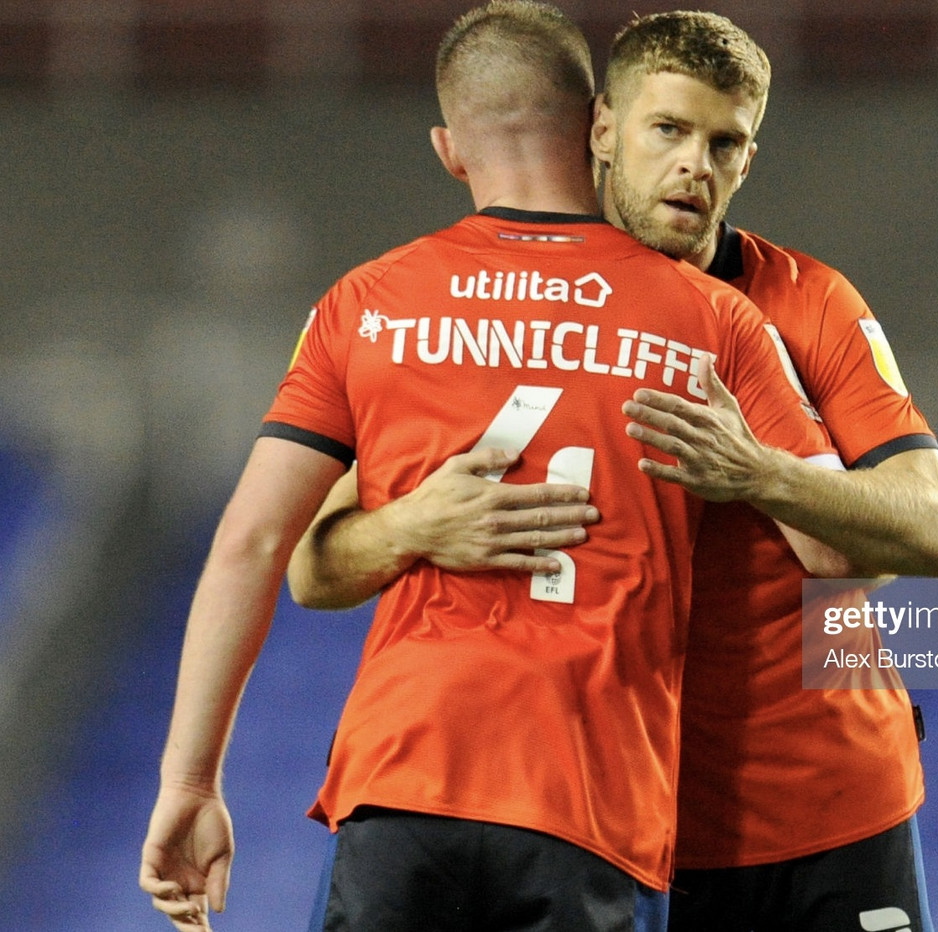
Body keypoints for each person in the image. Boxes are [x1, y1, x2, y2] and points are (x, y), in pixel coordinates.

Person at [137, 4, 842, 931]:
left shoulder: (368, 303)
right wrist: (750, 468)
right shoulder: (710, 318)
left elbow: (254, 545)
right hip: (593, 802)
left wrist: (191, 781)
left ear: (448, 147)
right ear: (596, 124)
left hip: (405, 782)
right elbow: (833, 552)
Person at [290, 9, 938, 932]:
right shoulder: (487, 308)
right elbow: (318, 564)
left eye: (725, 142)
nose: (697, 163)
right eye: (670, 130)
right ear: (602, 129)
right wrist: (412, 526)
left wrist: (760, 473)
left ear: (748, 161)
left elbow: (934, 534)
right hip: (617, 812)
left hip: (826, 797)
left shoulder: (805, 304)